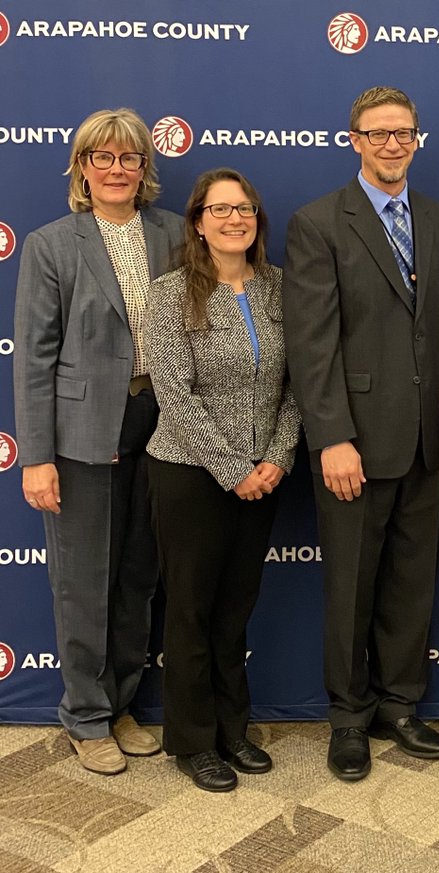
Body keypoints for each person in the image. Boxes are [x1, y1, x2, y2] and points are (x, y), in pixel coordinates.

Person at [283, 86, 439, 781]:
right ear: (354, 139)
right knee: (352, 587)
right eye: (378, 133)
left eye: (404, 132)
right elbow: (312, 343)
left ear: (417, 138)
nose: (393, 144)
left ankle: (399, 705)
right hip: (353, 444)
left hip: (426, 441)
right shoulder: (319, 223)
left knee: (411, 584)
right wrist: (331, 436)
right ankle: (350, 719)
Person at [13, 108, 184, 776]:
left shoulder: (173, 235)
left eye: (130, 158)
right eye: (103, 157)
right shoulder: (53, 244)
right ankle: (84, 715)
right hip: (83, 434)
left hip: (162, 425)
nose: (117, 169)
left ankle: (118, 704)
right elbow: (33, 359)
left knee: (140, 575)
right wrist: (38, 457)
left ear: (146, 168)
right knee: (84, 579)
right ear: (82, 166)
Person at [144, 168, 300, 792]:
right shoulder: (170, 293)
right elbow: (174, 398)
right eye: (221, 209)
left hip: (265, 475)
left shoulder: (281, 289)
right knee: (190, 612)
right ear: (198, 221)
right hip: (188, 474)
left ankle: (234, 731)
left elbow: (298, 387)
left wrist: (279, 459)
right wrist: (234, 470)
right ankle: (193, 741)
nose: (235, 219)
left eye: (246, 209)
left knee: (235, 612)